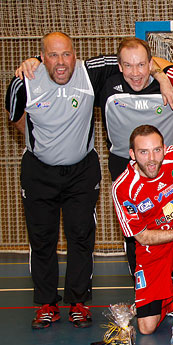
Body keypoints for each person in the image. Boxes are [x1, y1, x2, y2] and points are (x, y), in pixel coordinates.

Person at [15, 37, 173, 277]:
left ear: (150, 65)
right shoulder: (106, 82)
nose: (135, 73)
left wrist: (164, 78)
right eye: (128, 65)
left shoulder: (172, 81)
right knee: (135, 226)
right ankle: (141, 281)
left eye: (141, 65)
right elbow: (62, 73)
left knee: (172, 218)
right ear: (119, 66)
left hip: (165, 164)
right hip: (123, 164)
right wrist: (34, 61)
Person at [5, 32, 122, 329]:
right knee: (41, 239)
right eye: (53, 55)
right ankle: (46, 303)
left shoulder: (89, 72)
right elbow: (16, 117)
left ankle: (79, 303)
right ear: (41, 57)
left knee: (81, 237)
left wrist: (164, 74)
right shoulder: (24, 82)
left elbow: (133, 58)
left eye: (66, 54)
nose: (60, 62)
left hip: (81, 171)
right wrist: (44, 144)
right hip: (38, 172)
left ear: (75, 54)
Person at [111, 125, 173, 345]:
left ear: (165, 148)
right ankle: (171, 299)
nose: (152, 158)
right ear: (132, 154)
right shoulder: (123, 188)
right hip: (152, 251)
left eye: (157, 150)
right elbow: (143, 238)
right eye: (144, 152)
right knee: (146, 328)